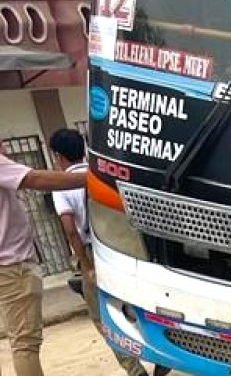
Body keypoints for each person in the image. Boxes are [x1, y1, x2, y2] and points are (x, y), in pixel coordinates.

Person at [46, 129, 148, 376]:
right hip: (125, 246)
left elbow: (70, 230)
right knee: (139, 305)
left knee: (102, 316)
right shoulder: (103, 175)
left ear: (58, 156)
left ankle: (135, 370)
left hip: (95, 251)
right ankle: (160, 353)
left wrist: (85, 265)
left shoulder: (62, 185)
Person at [0, 138, 87, 376]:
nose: (5, 149)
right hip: (12, 265)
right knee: (25, 344)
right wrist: (93, 178)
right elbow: (35, 179)